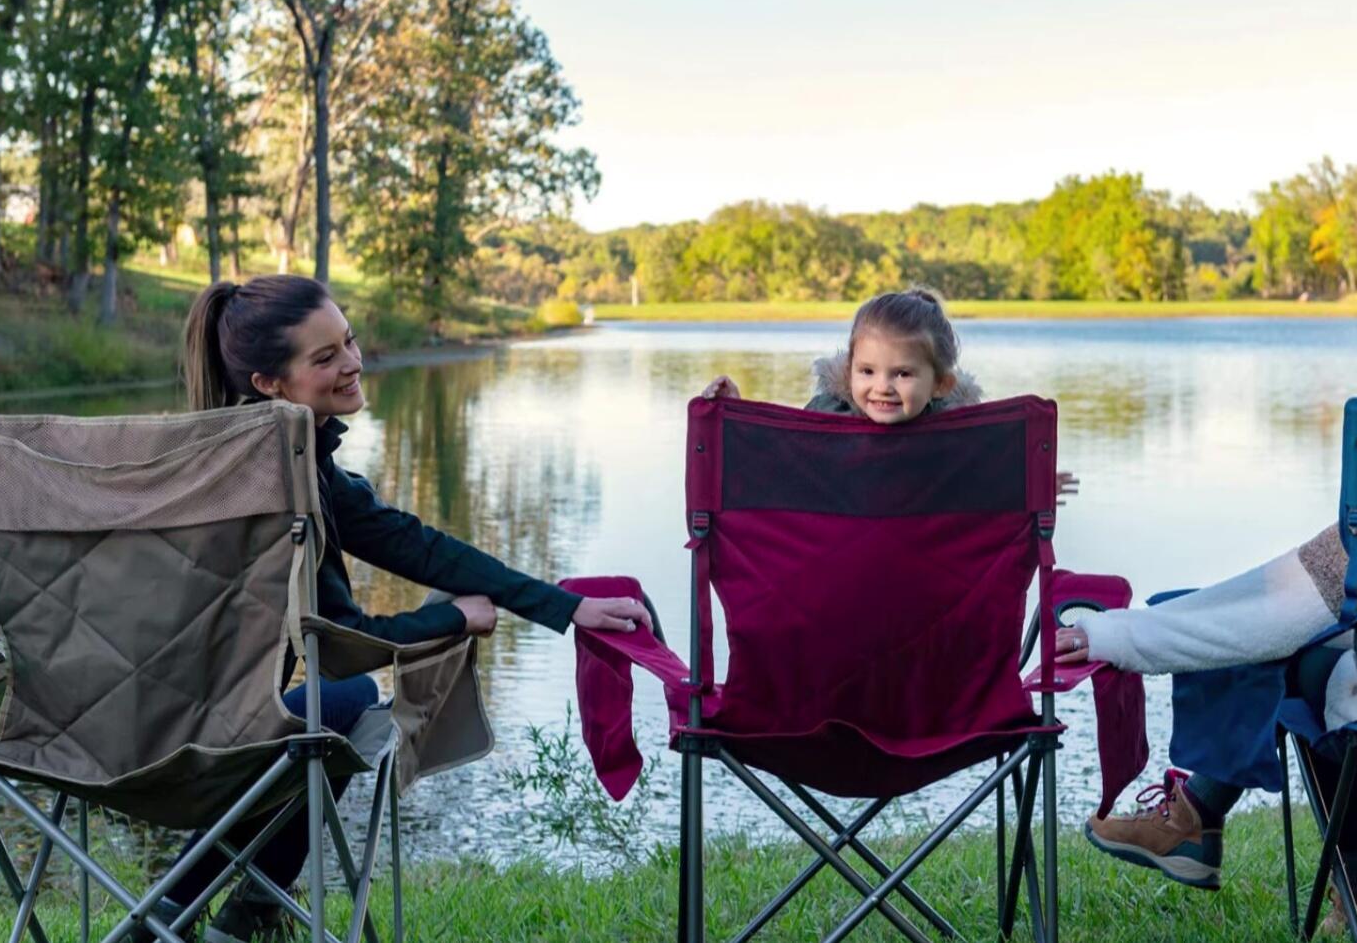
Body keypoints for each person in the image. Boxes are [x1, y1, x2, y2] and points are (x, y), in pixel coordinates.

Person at [147, 275, 652, 943]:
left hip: (107, 743)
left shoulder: (234, 460)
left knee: (320, 717)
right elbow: (343, 639)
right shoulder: (280, 484)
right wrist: (451, 619)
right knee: (342, 701)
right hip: (208, 746)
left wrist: (563, 607)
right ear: (270, 383)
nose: (352, 363)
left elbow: (421, 548)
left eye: (348, 342)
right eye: (324, 358)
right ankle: (225, 919)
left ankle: (172, 918)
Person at [1054, 276, 1357, 933]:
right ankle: (1210, 823)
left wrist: (1117, 636)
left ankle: (1212, 823)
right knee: (1317, 641)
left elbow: (1273, 617)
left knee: (1301, 659)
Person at [703, 286, 1079, 499]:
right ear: (849, 370)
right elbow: (779, 464)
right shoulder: (828, 417)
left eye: (901, 374)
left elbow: (982, 487)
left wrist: (1028, 486)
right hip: (836, 582)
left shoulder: (960, 438)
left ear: (941, 384)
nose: (882, 386)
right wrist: (737, 414)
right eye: (867, 371)